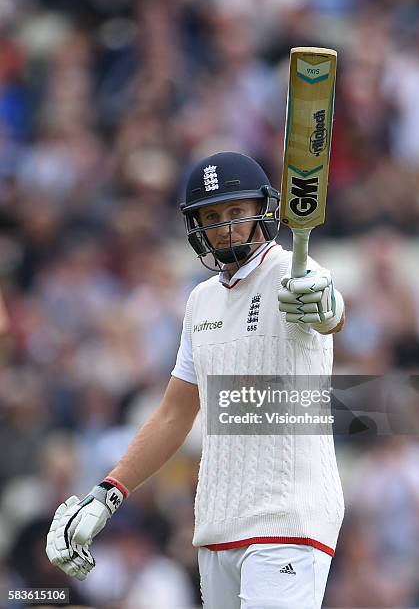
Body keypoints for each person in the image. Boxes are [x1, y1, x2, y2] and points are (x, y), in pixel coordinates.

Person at [46, 152, 346, 608]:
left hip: (290, 517)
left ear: (260, 210)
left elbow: (327, 311)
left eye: (235, 212)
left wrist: (328, 307)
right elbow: (174, 413)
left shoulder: (294, 273)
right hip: (218, 523)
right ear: (195, 225)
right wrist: (108, 494)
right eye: (212, 216)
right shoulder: (200, 301)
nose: (225, 226)